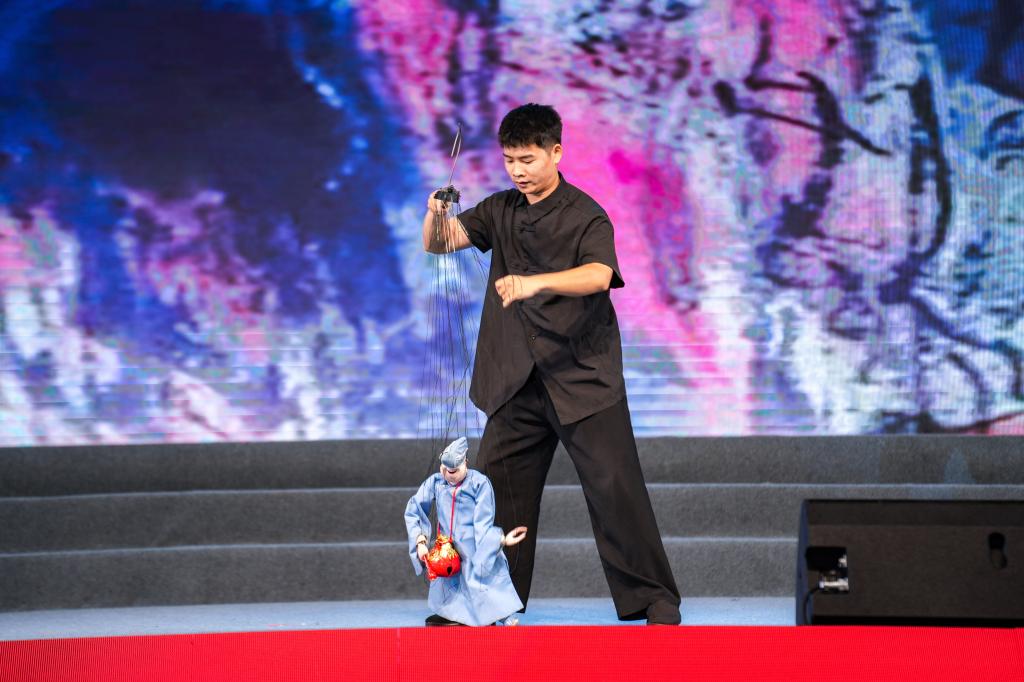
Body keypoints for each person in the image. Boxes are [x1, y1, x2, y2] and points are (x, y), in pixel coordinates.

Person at [421, 103, 681, 625]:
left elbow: (599, 275)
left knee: (615, 489)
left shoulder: (586, 214)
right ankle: (484, 603)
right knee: (498, 499)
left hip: (582, 377)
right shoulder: (499, 209)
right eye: (509, 160)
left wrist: (533, 283)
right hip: (515, 380)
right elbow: (440, 243)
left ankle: (654, 596)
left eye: (527, 159)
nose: (517, 170)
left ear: (555, 152)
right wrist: (435, 213)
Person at [404, 437, 528, 626]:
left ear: (465, 463)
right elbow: (414, 508)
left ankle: (503, 616)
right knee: (449, 587)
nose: (448, 474)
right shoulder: (436, 482)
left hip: (473, 544)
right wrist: (420, 542)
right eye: (445, 469)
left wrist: (500, 539)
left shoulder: (479, 483)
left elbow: (483, 522)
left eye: (454, 470)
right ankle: (453, 615)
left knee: (483, 581)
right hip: (447, 549)